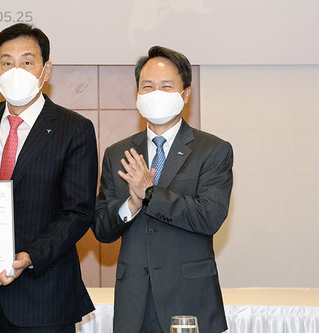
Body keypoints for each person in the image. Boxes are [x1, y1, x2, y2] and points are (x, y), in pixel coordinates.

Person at [0, 23, 97, 332]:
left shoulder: (74, 128)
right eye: (7, 63)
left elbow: (78, 211)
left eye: (27, 61)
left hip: (45, 294)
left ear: (45, 70)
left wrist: (29, 257)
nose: (16, 71)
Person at [94, 46, 233, 333]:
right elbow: (102, 229)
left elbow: (209, 217)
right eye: (148, 86)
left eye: (166, 86)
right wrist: (131, 204)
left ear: (185, 94)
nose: (155, 93)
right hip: (135, 303)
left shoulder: (212, 150)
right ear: (137, 94)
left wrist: (150, 193)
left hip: (189, 299)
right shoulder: (117, 153)